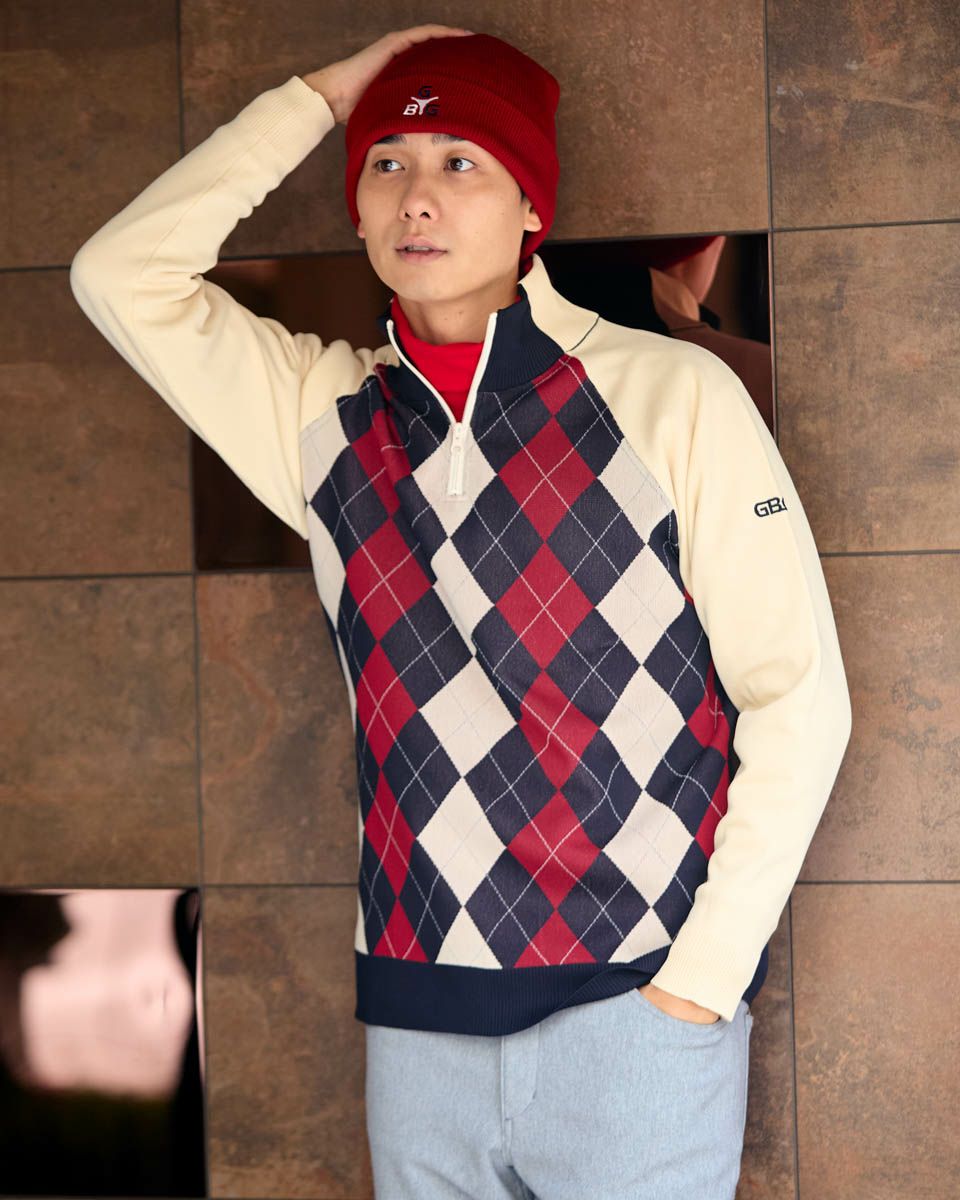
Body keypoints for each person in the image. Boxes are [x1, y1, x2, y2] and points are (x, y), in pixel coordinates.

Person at [68, 25, 853, 1199]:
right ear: (357, 210)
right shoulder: (325, 418)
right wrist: (320, 99)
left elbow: (801, 701)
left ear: (531, 204)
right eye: (387, 163)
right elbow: (117, 276)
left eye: (460, 162)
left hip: (635, 1011)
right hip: (417, 1025)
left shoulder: (669, 396)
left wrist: (698, 986)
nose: (417, 197)